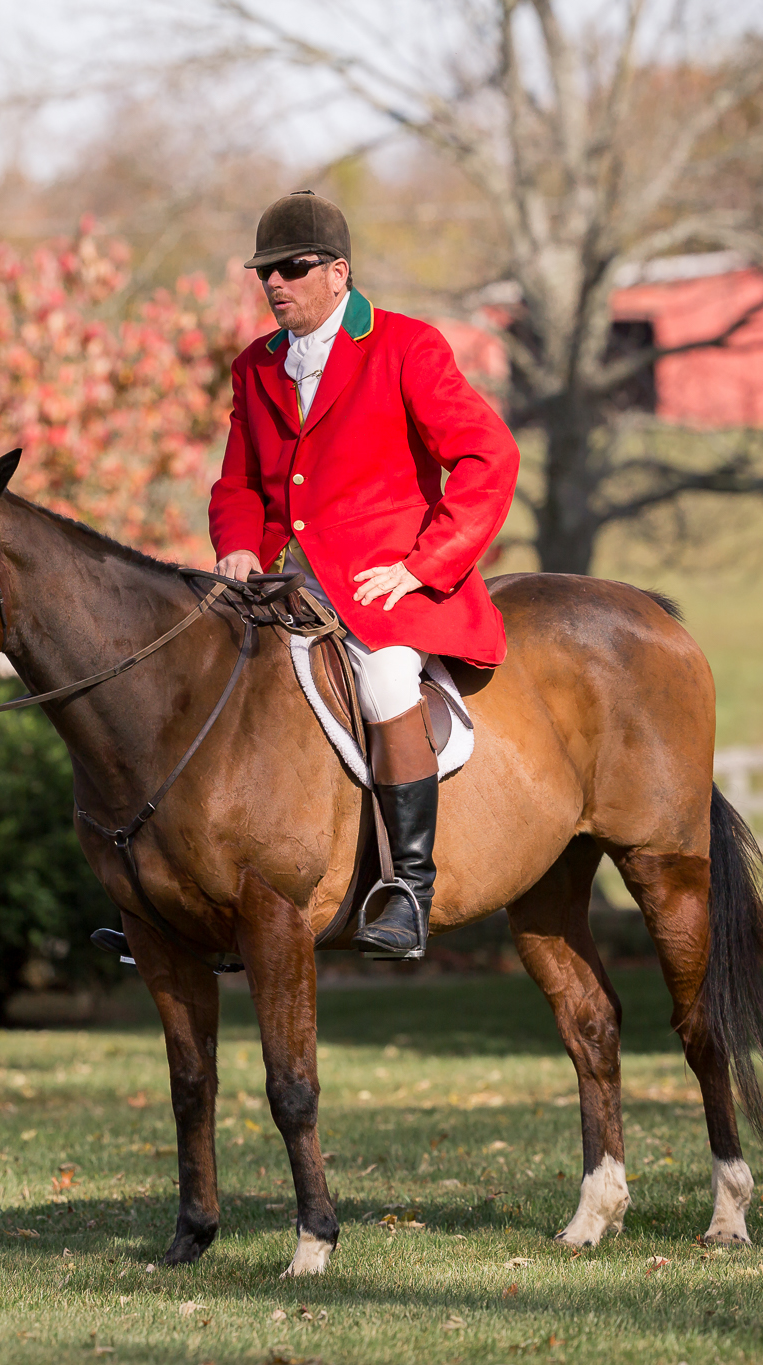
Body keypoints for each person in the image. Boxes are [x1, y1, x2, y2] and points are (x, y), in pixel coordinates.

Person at [208, 191, 520, 959]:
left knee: (383, 681)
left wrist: (423, 566)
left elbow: (490, 458)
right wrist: (239, 544)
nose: (275, 283)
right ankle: (199, 894)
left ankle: (408, 890)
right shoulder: (257, 367)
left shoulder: (407, 347)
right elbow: (239, 483)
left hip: (387, 587)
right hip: (285, 586)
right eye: (265, 273)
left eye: (293, 268)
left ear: (338, 272)